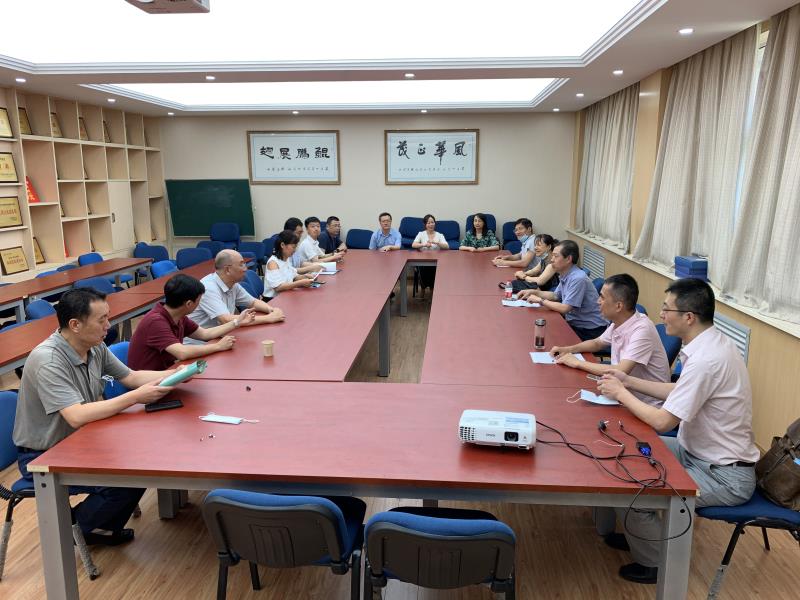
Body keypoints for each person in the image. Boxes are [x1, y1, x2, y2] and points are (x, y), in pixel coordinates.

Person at [597, 278, 758, 584]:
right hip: (696, 453)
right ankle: (641, 536)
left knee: (633, 490)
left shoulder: (707, 359)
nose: (661, 315)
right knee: (625, 452)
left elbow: (663, 422)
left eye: (666, 309)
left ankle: (657, 562)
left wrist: (621, 393)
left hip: (723, 476)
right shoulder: (710, 343)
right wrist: (628, 381)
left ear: (689, 317)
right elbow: (679, 389)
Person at [12, 288, 177, 546]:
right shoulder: (48, 360)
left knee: (144, 462)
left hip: (83, 438)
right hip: (45, 453)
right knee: (125, 479)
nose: (108, 326)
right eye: (101, 320)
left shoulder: (94, 346)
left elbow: (131, 377)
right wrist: (135, 397)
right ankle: (74, 531)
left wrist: (176, 373)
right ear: (75, 325)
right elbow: (76, 416)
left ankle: (100, 527)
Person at [549, 273, 670, 405]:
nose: (598, 301)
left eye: (602, 297)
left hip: (645, 405)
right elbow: (597, 343)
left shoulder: (642, 329)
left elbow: (619, 371)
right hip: (620, 394)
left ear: (618, 306)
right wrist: (568, 350)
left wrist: (577, 363)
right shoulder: (621, 321)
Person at [128, 273, 257, 371]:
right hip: (148, 384)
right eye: (199, 301)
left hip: (168, 373)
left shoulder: (178, 316)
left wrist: (237, 322)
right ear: (189, 304)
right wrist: (218, 346)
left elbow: (205, 334)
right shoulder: (155, 321)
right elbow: (182, 353)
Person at [186, 249, 284, 342]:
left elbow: (253, 302)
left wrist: (271, 310)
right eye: (241, 264)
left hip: (222, 337)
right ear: (228, 270)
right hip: (201, 344)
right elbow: (226, 319)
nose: (245, 269)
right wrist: (269, 318)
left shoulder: (232, 284)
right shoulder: (208, 288)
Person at [518, 240, 607, 341]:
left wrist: (540, 300)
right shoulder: (566, 274)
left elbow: (565, 308)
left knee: (547, 336)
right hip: (575, 323)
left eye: (556, 256)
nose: (552, 260)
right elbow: (556, 296)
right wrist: (534, 292)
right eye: (552, 256)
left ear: (568, 259)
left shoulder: (578, 278)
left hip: (589, 330)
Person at [264, 230, 317, 298]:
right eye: (293, 247)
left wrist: (305, 277)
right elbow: (278, 287)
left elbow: (293, 276)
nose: (295, 250)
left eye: (296, 247)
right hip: (273, 299)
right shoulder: (273, 263)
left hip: (286, 295)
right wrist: (300, 283)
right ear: (282, 245)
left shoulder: (286, 259)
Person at [412, 214, 448, 296]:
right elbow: (413, 245)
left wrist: (437, 243)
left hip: (436, 260)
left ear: (435, 223)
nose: (431, 224)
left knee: (434, 270)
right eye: (428, 223)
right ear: (425, 224)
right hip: (423, 259)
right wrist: (424, 244)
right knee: (422, 268)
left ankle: (432, 289)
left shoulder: (439, 235)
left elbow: (447, 246)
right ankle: (423, 288)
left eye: (432, 222)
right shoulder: (421, 234)